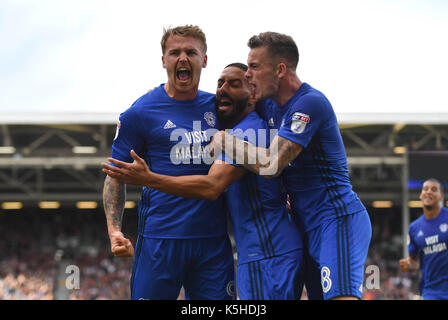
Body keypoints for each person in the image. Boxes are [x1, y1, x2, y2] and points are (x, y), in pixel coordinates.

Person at [102, 63, 305, 300]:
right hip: (257, 252)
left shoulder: (246, 132)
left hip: (270, 252)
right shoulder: (231, 125)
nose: (222, 89)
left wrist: (148, 179)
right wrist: (153, 99)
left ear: (253, 95)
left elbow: (212, 186)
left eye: (234, 84)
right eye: (220, 83)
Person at [210, 32, 372, 300]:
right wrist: (173, 100)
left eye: (254, 66)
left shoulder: (309, 104)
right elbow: (229, 101)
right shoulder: (269, 104)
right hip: (304, 226)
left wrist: (225, 139)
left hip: (336, 219)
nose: (248, 74)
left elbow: (271, 164)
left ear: (280, 69)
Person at [102, 25, 235, 300]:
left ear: (205, 60)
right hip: (160, 241)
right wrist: (115, 230)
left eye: (191, 52)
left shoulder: (221, 108)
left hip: (212, 243)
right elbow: (115, 173)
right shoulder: (139, 112)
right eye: (174, 52)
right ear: (164, 60)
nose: (182, 58)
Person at [399, 178, 448, 300]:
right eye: (425, 189)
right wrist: (408, 265)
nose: (428, 192)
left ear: (441, 196)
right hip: (431, 291)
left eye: (434, 189)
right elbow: (414, 262)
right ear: (421, 195)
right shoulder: (414, 228)